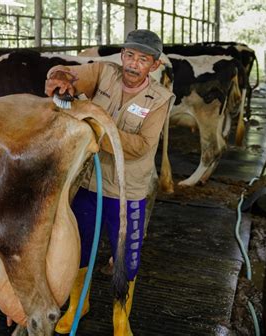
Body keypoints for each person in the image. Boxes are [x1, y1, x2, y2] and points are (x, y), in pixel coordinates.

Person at [44, 29, 175, 336]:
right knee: (80, 247)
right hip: (89, 184)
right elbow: (69, 74)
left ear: (154, 66)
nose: (132, 64)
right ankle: (78, 306)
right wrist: (60, 77)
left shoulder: (160, 99)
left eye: (142, 59)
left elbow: (142, 145)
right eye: (129, 55)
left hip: (127, 191)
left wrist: (94, 129)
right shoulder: (104, 72)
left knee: (126, 257)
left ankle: (120, 318)